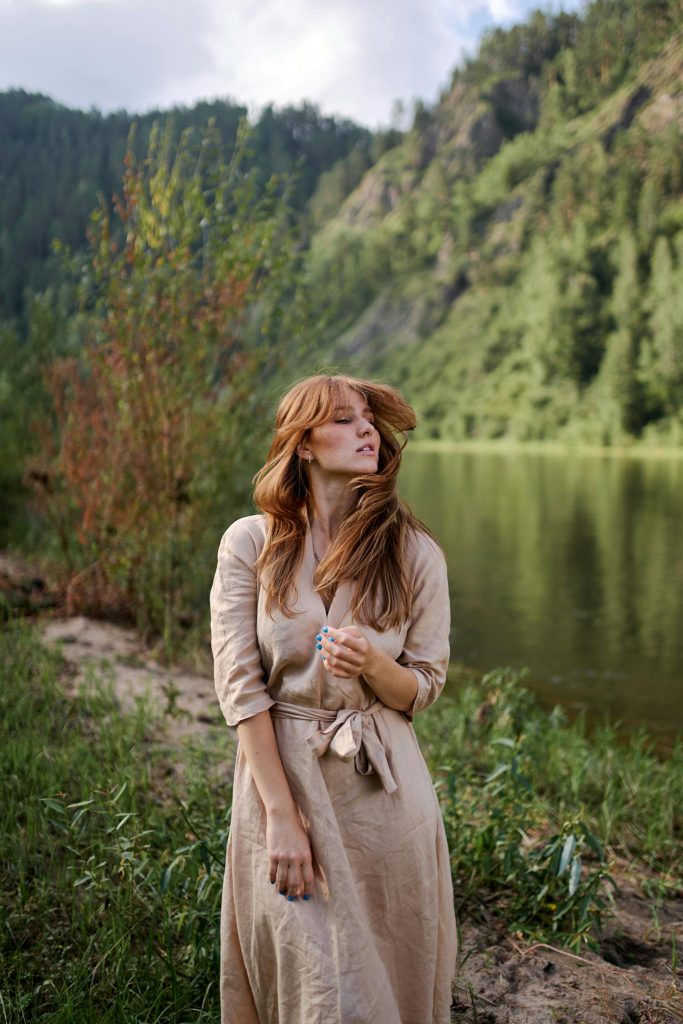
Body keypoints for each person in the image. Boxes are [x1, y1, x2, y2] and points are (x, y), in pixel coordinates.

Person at [209, 372, 458, 1024]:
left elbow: (422, 688)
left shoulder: (414, 552)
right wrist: (281, 817)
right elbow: (242, 691)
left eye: (370, 420)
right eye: (346, 419)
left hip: (384, 799)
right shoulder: (249, 544)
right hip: (281, 784)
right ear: (304, 443)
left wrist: (375, 664)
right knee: (315, 989)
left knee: (385, 981)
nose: (367, 430)